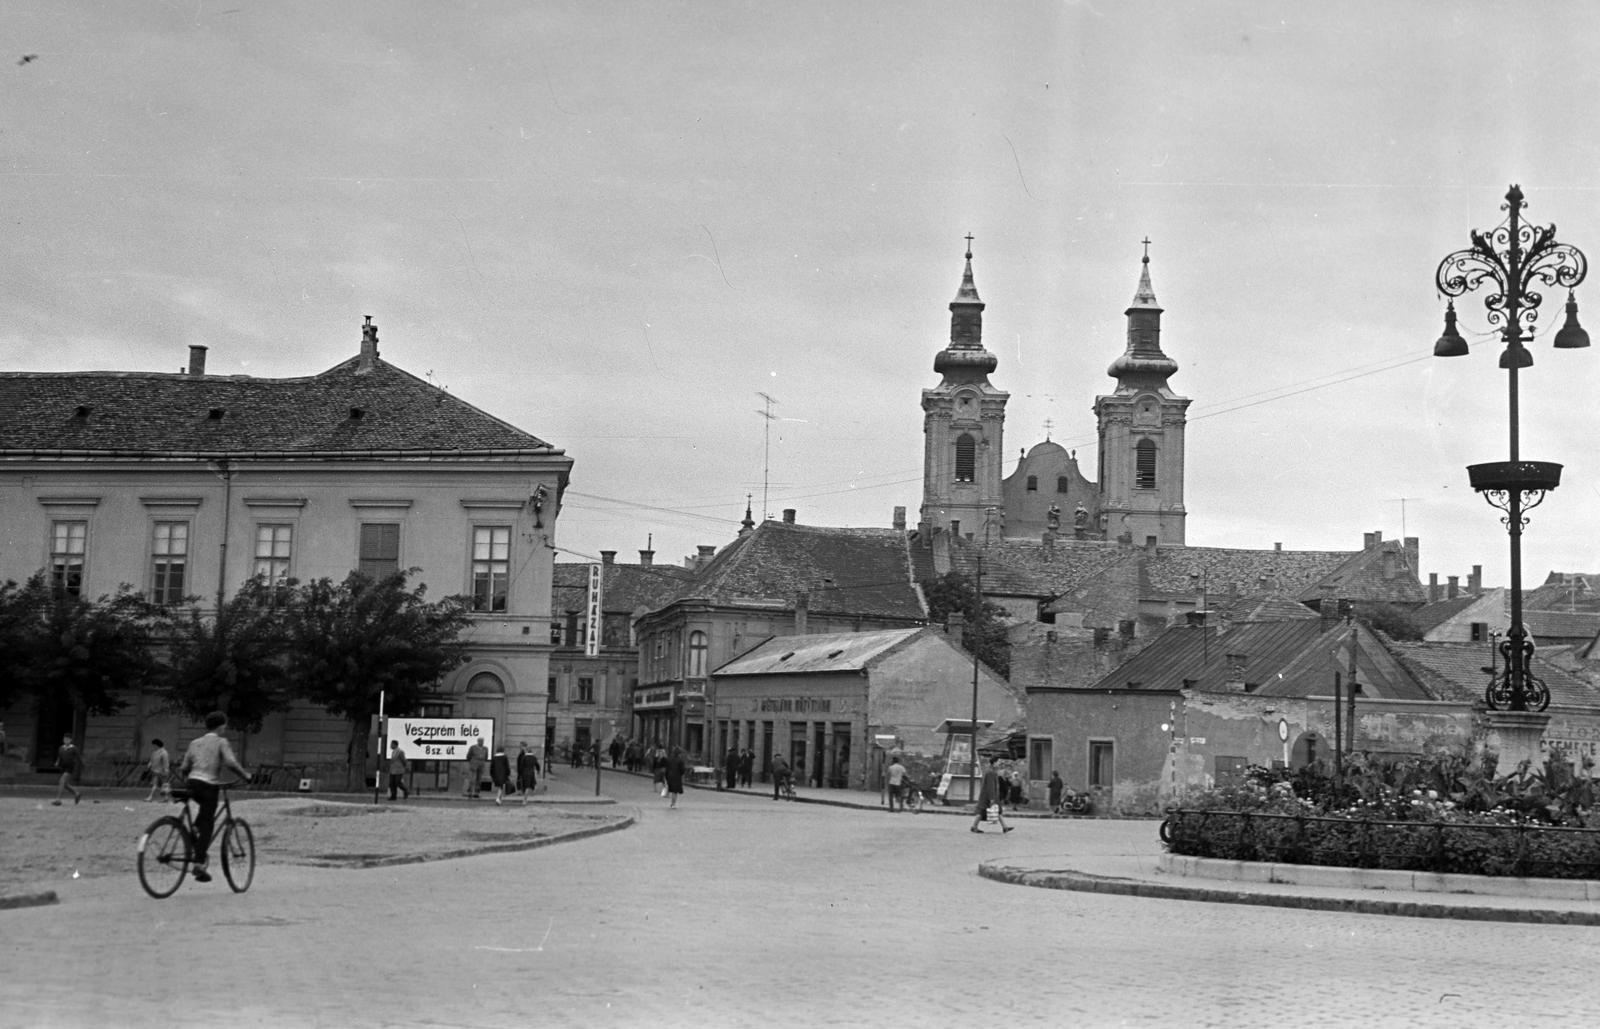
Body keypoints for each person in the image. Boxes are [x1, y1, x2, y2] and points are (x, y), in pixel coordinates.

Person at [178, 711, 250, 882]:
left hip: (193, 783)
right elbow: (230, 762)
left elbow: (184, 767)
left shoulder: (194, 742)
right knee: (208, 825)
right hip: (209, 785)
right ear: (221, 726)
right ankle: (199, 863)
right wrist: (245, 775)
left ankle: (194, 830)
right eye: (225, 725)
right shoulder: (221, 742)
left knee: (203, 814)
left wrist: (188, 780)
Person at [970, 754, 1012, 834]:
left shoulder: (991, 771)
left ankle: (1005, 827)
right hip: (988, 796)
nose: (999, 763)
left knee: (997, 811)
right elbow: (990, 786)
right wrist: (992, 798)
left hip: (989, 795)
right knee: (981, 811)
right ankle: (974, 826)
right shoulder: (991, 772)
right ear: (994, 762)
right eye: (998, 762)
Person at [53, 733, 84, 806]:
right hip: (63, 767)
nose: (66, 741)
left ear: (70, 740)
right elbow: (59, 757)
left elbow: (79, 758)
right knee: (65, 784)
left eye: (67, 739)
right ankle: (77, 793)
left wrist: (81, 766)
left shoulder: (74, 748)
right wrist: (57, 762)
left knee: (61, 781)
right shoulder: (61, 748)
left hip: (70, 767)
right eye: (65, 739)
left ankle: (58, 800)